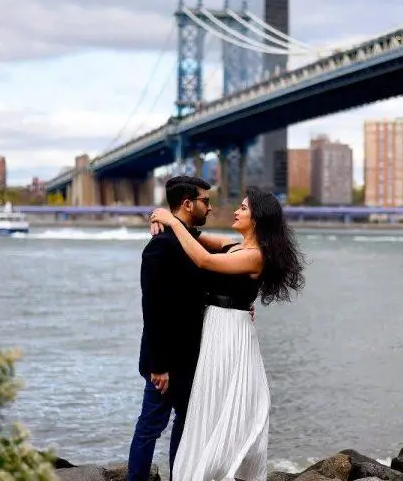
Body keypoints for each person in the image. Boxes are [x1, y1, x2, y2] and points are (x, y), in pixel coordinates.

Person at [149, 186, 305, 481]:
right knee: (211, 399)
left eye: (243, 208)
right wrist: (163, 220)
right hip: (218, 327)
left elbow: (204, 260)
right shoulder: (235, 246)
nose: (236, 211)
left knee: (225, 398)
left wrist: (170, 221)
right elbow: (192, 236)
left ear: (258, 218)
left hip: (231, 332)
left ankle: (220, 469)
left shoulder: (256, 256)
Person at [126, 175, 213, 481]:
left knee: (185, 425)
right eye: (205, 201)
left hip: (190, 358)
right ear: (187, 204)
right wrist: (159, 366)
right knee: (150, 426)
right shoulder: (160, 246)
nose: (210, 208)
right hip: (165, 362)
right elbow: (153, 310)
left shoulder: (191, 241)